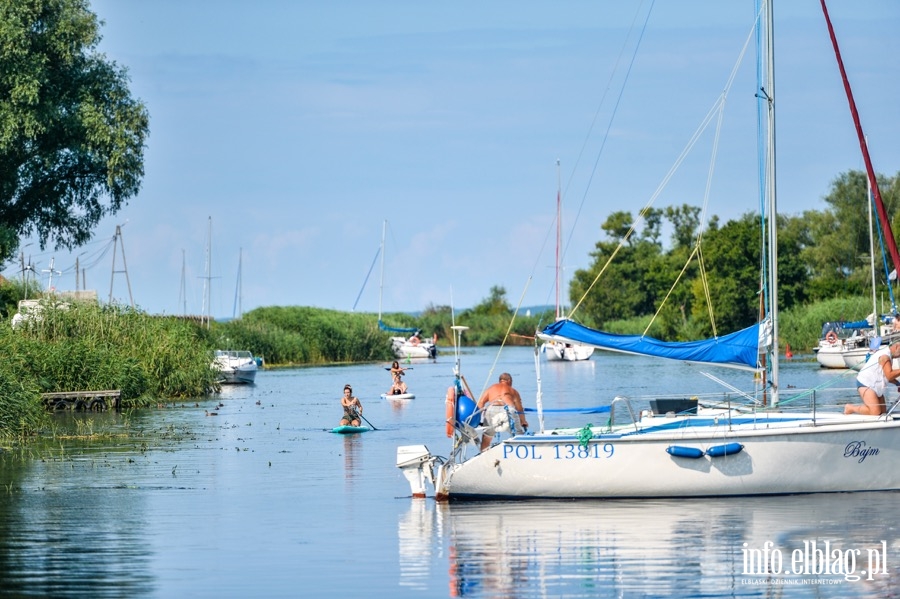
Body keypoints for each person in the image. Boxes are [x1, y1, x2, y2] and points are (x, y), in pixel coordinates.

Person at [476, 372, 528, 451]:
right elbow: (519, 409)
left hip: (492, 408)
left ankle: (483, 454)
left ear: (500, 380)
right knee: (519, 435)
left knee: (487, 436)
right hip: (508, 409)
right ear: (509, 381)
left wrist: (477, 418)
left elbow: (481, 402)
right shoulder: (513, 390)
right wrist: (523, 421)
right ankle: (522, 452)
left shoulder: (491, 388)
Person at [847, 342, 900, 415]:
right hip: (866, 384)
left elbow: (887, 376)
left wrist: (897, 383)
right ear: (897, 347)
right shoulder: (885, 356)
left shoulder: (888, 355)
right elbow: (889, 375)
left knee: (883, 413)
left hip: (876, 386)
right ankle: (850, 408)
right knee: (875, 412)